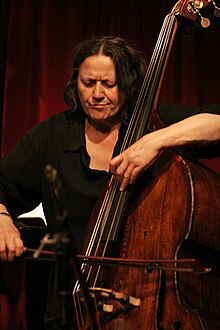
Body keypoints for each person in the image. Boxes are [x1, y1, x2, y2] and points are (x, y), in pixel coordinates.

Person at [0, 35, 219, 328]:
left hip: (153, 306)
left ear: (127, 85)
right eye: (88, 83)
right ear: (75, 84)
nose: (97, 94)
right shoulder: (51, 137)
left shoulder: (156, 123)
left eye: (108, 84)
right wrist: (2, 218)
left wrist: (156, 140)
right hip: (72, 308)